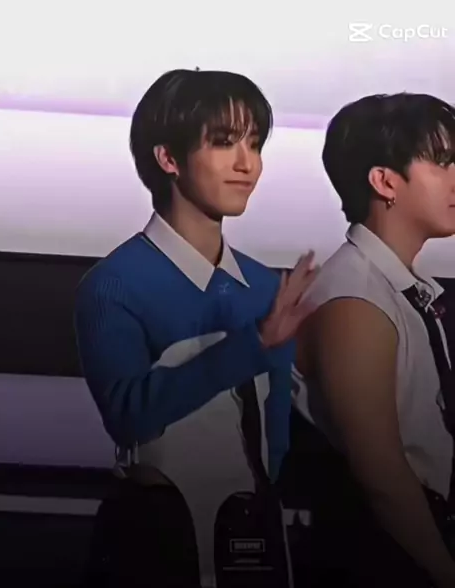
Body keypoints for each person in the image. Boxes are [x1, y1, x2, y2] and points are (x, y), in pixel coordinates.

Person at [74, 68, 317, 587]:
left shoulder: (264, 285)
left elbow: (278, 434)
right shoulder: (115, 284)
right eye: (225, 142)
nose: (247, 163)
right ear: (168, 158)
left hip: (257, 541)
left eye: (255, 143)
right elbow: (128, 416)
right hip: (159, 544)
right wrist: (253, 344)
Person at [284, 92, 455, 587]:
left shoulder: (394, 287)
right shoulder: (354, 299)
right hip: (382, 556)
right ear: (384, 181)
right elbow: (381, 474)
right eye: (442, 163)